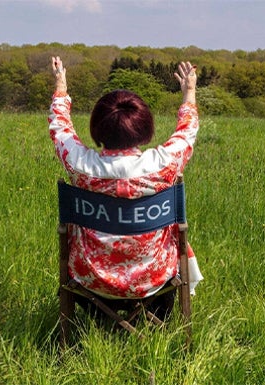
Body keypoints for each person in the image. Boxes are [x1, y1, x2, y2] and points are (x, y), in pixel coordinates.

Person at [48, 56, 203, 315]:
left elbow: (60, 128)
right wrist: (189, 93)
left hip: (91, 280)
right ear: (144, 128)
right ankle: (157, 315)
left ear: (98, 128)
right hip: (155, 280)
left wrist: (61, 87)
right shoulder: (164, 164)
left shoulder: (80, 165)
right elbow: (188, 130)